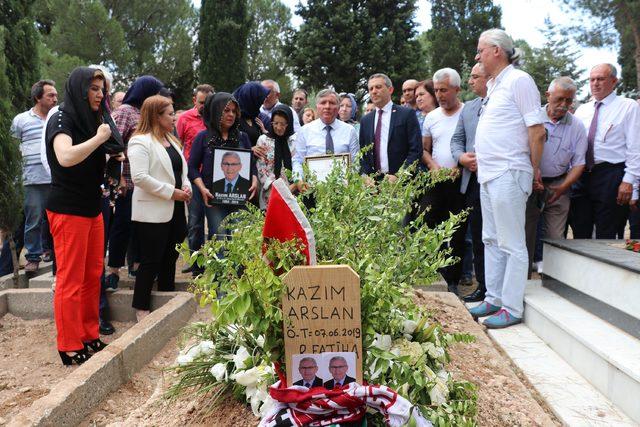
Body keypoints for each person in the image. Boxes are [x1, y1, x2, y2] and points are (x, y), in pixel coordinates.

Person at [467, 29, 546, 329]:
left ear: (497, 51)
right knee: (491, 239)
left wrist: (532, 170)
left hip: (510, 171)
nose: (477, 56)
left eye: (481, 50)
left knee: (512, 243)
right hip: (489, 175)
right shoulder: (495, 86)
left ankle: (512, 307)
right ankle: (494, 298)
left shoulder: (519, 81)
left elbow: (536, 131)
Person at [45, 67, 116, 365]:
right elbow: (65, 156)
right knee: (70, 279)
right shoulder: (62, 117)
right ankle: (69, 342)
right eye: (94, 89)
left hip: (91, 206)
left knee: (92, 276)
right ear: (80, 89)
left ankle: (88, 333)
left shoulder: (94, 118)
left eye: (102, 89)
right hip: (67, 208)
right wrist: (100, 140)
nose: (100, 94)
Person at [128, 95, 192, 322]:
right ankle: (141, 307)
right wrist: (171, 192)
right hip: (152, 211)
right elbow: (140, 177)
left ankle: (166, 297)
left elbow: (181, 170)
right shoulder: (140, 141)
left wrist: (186, 184)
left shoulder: (173, 140)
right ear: (156, 115)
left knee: (170, 258)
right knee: (150, 260)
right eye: (170, 113)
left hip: (176, 208)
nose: (174, 117)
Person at [105, 75, 165, 291]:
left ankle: (137, 267)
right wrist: (118, 176)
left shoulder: (145, 113)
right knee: (122, 226)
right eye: (155, 92)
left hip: (145, 182)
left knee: (140, 227)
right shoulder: (124, 111)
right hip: (127, 181)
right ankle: (113, 272)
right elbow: (112, 143)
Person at [525, 77, 587, 275]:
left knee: (555, 236)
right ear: (548, 95)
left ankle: (553, 282)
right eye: (560, 99)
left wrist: (562, 188)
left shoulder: (577, 125)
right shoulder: (532, 118)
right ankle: (522, 281)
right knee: (526, 233)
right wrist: (533, 175)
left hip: (559, 184)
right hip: (530, 181)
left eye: (569, 101)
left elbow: (579, 163)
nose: (564, 105)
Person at [570, 64, 640, 239]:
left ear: (614, 81)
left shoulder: (628, 107)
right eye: (592, 79)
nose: (595, 83)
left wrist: (629, 181)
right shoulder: (582, 110)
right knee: (580, 229)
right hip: (582, 174)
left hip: (610, 175)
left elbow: (635, 146)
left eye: (600, 79)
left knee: (606, 232)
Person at [188, 92, 257, 244]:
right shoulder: (203, 137)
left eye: (234, 111)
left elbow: (251, 165)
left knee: (237, 238)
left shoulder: (242, 137)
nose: (231, 114)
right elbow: (192, 168)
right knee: (218, 236)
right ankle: (219, 268)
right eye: (226, 110)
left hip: (238, 198)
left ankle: (237, 269)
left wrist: (254, 179)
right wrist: (202, 188)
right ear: (215, 111)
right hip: (213, 198)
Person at [421, 68, 466, 295]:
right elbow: (425, 149)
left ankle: (454, 280)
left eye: (444, 90)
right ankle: (435, 273)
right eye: (437, 90)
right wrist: (433, 166)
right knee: (432, 227)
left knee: (457, 232)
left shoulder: (467, 114)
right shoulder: (431, 117)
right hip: (436, 182)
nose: (439, 95)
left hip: (461, 182)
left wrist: (459, 167)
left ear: (457, 90)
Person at [451, 63, 489, 303]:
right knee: (478, 235)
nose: (470, 81)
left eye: (475, 76)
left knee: (499, 237)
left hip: (499, 178)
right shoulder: (469, 109)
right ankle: (484, 286)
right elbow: (456, 141)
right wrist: (462, 157)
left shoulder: (502, 104)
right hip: (473, 182)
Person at [11, 79, 58, 272]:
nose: (55, 99)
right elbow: (13, 150)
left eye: (56, 95)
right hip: (32, 179)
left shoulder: (59, 117)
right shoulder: (21, 120)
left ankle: (57, 255)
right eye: (50, 95)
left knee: (58, 221)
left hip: (57, 179)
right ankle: (32, 258)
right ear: (38, 97)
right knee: (34, 220)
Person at [359, 73, 422, 180]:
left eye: (378, 87)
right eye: (371, 89)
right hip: (374, 184)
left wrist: (400, 175)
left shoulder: (406, 114)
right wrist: (365, 176)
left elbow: (416, 150)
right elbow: (363, 153)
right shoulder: (366, 120)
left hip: (401, 182)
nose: (374, 91)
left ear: (390, 90)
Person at [292, 89, 359, 182]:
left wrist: (350, 180)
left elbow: (356, 162)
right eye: (323, 102)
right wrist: (298, 180)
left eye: (332, 103)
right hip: (311, 189)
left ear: (338, 107)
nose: (327, 106)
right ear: (317, 106)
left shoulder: (350, 131)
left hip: (344, 190)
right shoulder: (304, 131)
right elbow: (298, 161)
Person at [256, 104, 296, 208]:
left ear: (289, 123)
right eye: (276, 123)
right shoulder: (263, 140)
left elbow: (300, 164)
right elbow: (261, 168)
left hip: (293, 192)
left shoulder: (295, 140)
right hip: (270, 193)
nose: (278, 127)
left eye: (283, 124)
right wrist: (275, 187)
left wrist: (293, 186)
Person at [177, 84, 215, 161]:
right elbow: (177, 145)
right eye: (202, 103)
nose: (205, 106)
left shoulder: (219, 118)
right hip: (190, 168)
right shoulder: (184, 118)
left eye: (208, 102)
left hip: (212, 168)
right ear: (194, 100)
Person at [233, 82, 271, 146]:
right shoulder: (233, 119)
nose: (265, 99)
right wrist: (250, 150)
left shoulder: (257, 117)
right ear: (252, 98)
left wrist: (265, 132)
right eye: (260, 97)